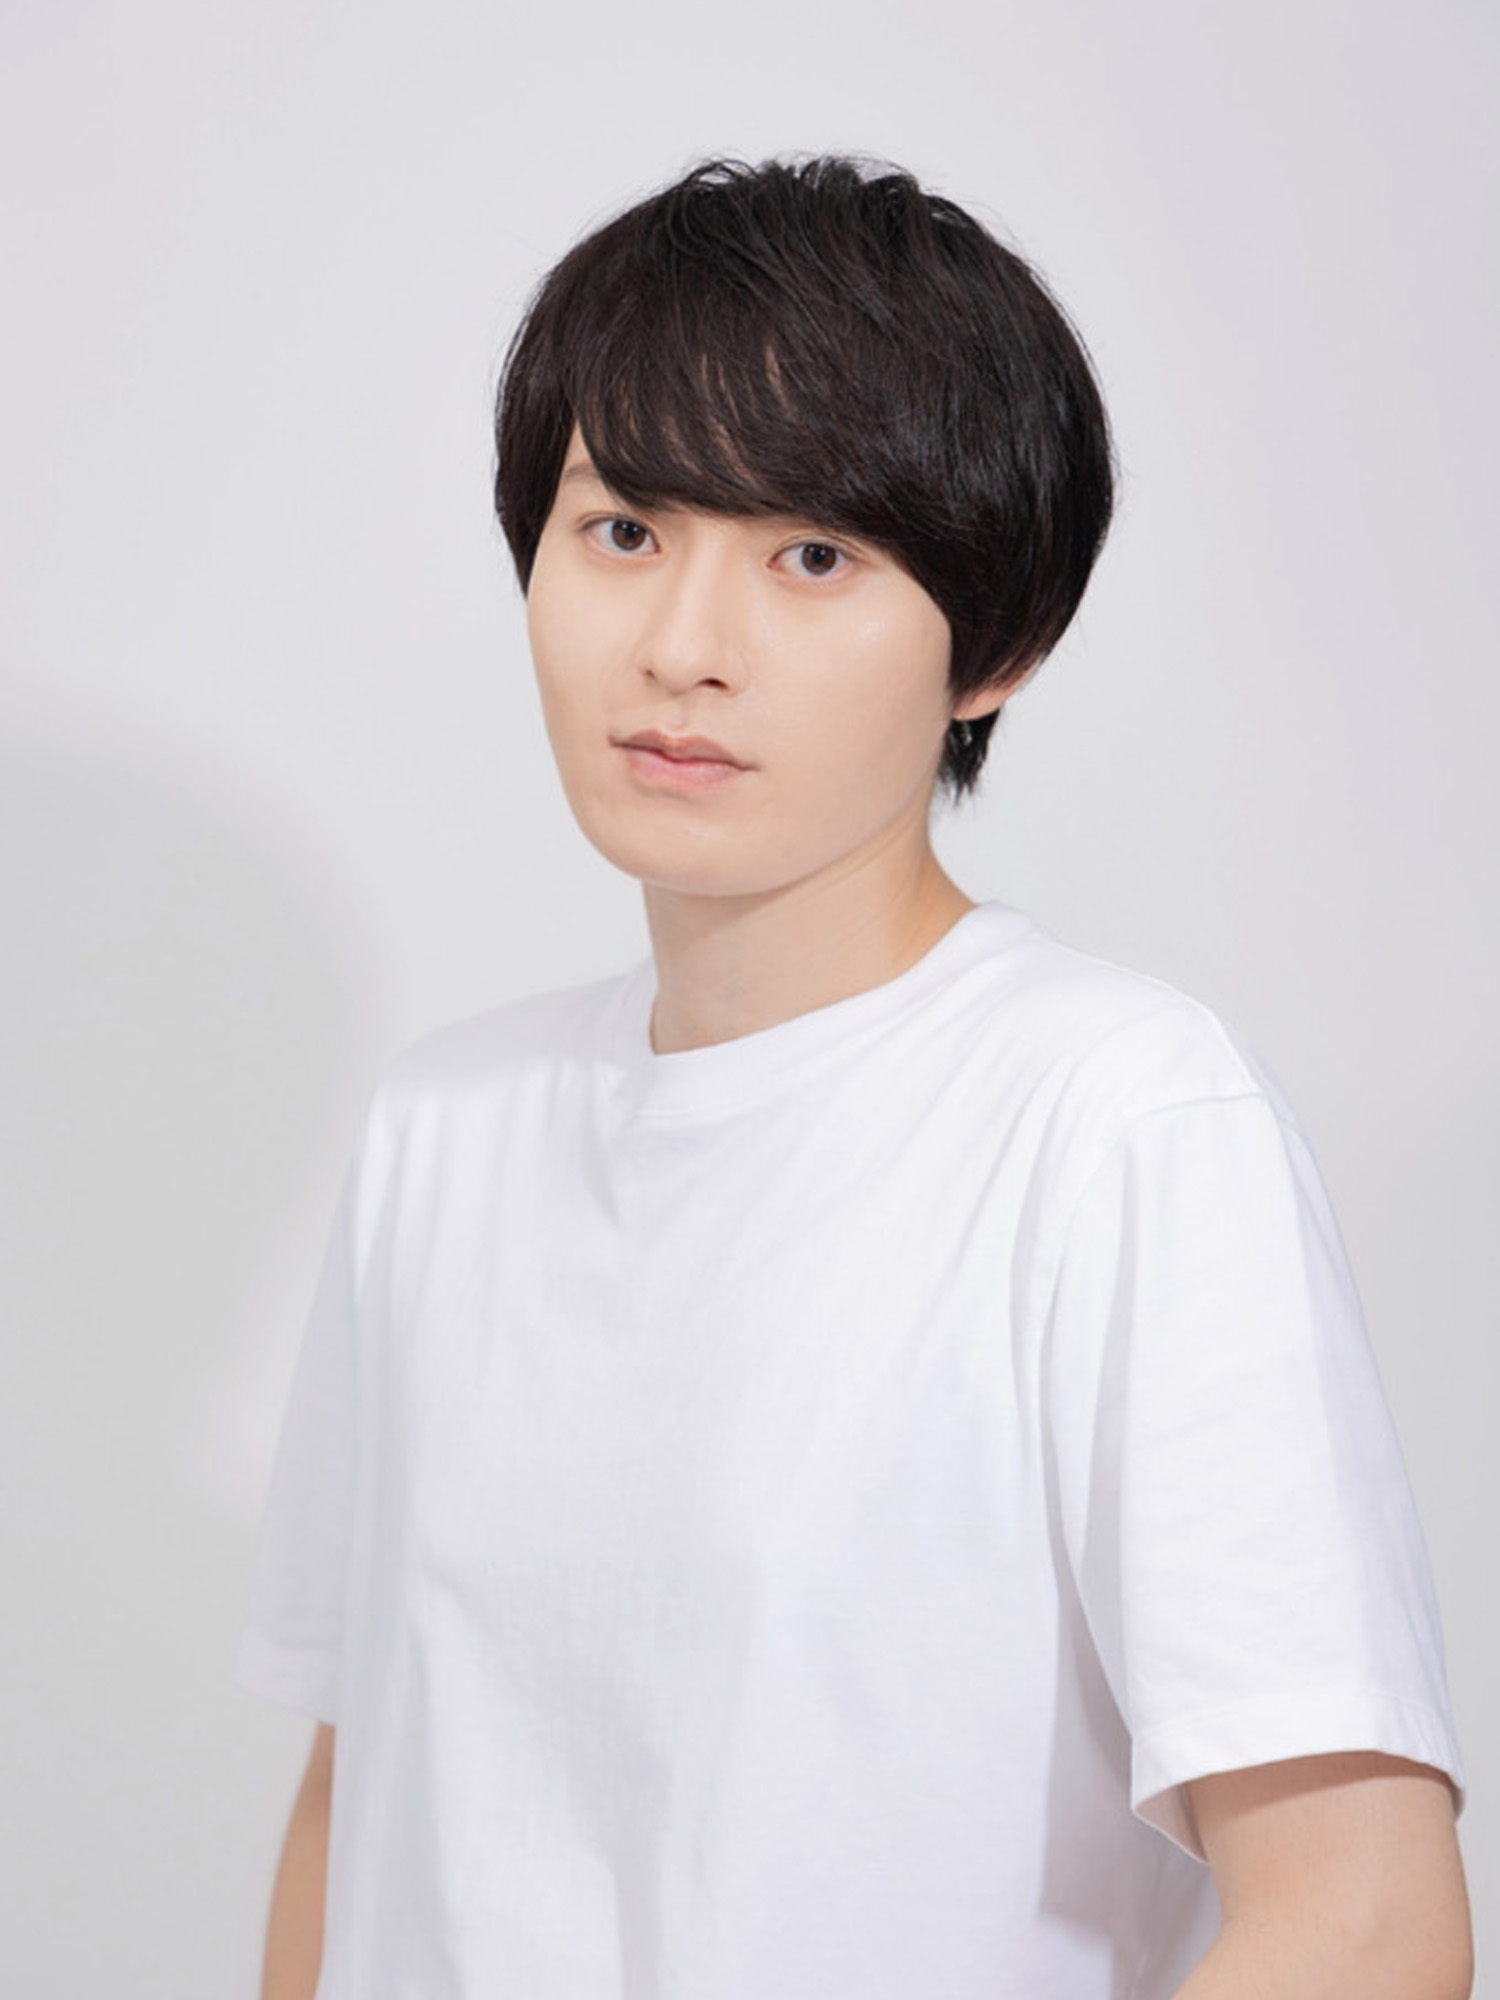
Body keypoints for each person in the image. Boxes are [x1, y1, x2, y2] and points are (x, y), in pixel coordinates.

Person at [238, 156, 1472, 1998]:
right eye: (622, 530)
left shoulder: (1118, 1122)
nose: (682, 649)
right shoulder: (446, 1129)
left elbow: (1362, 1924)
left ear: (1002, 647)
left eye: (813, 557)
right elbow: (365, 1804)